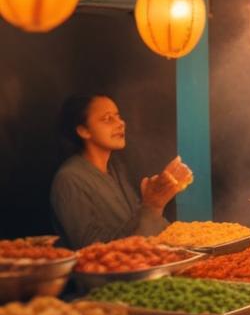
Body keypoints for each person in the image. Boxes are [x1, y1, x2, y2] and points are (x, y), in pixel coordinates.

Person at [50, 94, 192, 248]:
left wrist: (156, 204)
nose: (121, 123)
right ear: (84, 131)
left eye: (118, 117)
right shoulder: (69, 179)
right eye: (107, 119)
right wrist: (151, 206)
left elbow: (136, 229)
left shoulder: (116, 170)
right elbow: (92, 251)